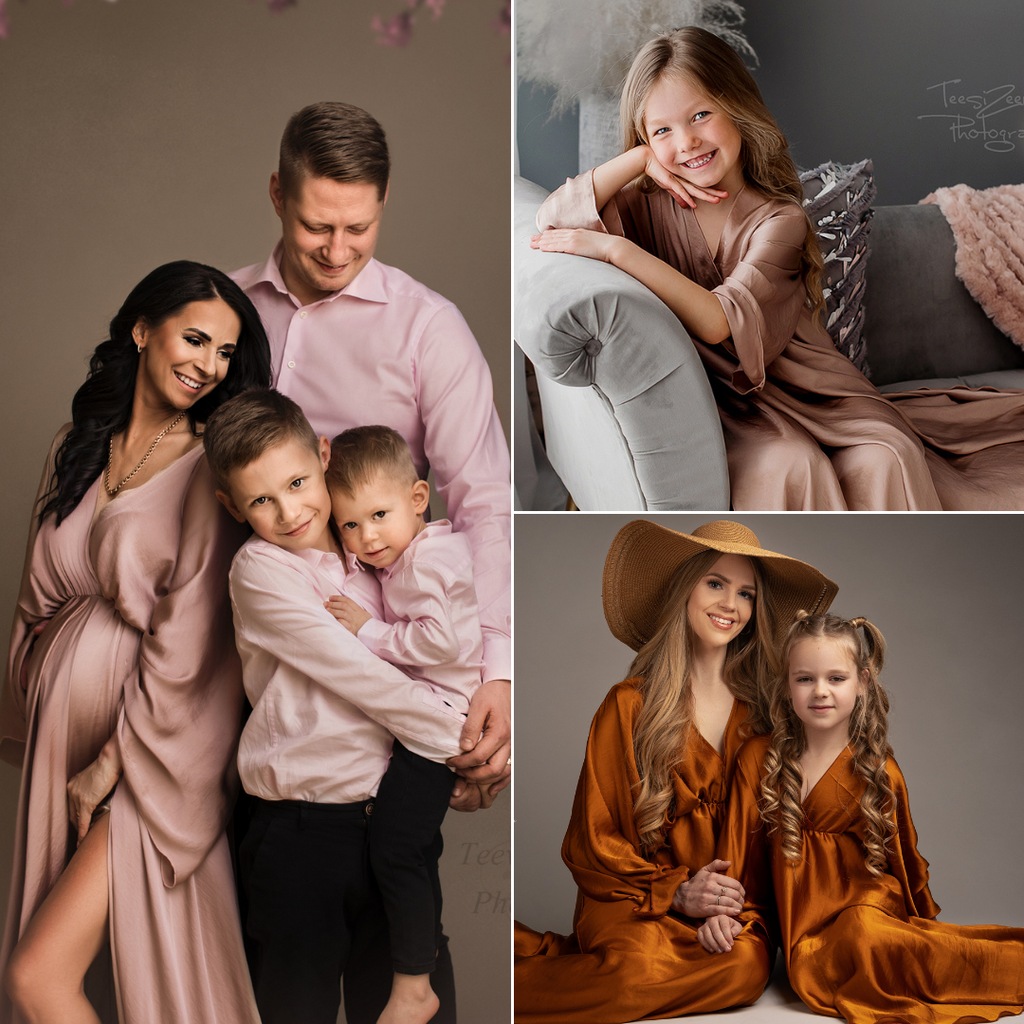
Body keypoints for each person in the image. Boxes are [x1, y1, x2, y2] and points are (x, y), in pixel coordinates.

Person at [531, 27, 1024, 511]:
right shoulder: (641, 203)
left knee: (885, 457)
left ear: (737, 109)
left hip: (810, 393)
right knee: (791, 465)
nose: (686, 142)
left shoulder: (780, 220)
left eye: (701, 114)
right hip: (718, 401)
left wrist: (619, 254)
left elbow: (719, 319)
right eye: (662, 130)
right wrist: (638, 159)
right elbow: (550, 219)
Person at [0, 261, 272, 1024]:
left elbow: (192, 640)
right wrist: (50, 685)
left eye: (224, 353)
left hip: (158, 747)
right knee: (64, 974)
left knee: (42, 976)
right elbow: (33, 602)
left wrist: (115, 762)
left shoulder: (210, 467)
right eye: (194, 339)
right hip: (65, 737)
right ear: (141, 329)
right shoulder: (74, 447)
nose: (209, 365)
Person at [231, 102, 510, 790]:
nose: (336, 249)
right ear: (277, 194)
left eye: (359, 227)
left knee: (378, 879)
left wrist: (497, 671)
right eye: (314, 225)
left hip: (373, 674)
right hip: (227, 650)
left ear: (384, 202)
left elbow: (485, 502)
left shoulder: (429, 330)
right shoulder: (227, 311)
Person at [203, 389, 477, 1024]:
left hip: (392, 824)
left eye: (299, 482)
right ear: (231, 506)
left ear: (323, 457)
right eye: (260, 500)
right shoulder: (262, 571)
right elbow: (366, 681)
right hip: (302, 837)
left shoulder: (383, 558)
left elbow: (451, 643)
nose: (290, 510)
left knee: (419, 1004)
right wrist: (464, 745)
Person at [513, 519, 838, 1023]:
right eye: (715, 583)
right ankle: (504, 985)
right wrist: (679, 893)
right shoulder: (627, 706)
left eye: (746, 593)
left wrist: (729, 912)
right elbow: (592, 839)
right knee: (633, 970)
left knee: (747, 968)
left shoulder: (764, 716)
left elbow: (768, 839)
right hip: (636, 898)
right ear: (683, 588)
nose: (731, 605)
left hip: (726, 913)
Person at [708, 613, 1024, 1022]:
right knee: (761, 958)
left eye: (836, 679)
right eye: (805, 678)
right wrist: (722, 911)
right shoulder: (758, 758)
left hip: (867, 911)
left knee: (865, 935)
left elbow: (905, 864)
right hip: (804, 930)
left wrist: (917, 929)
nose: (820, 691)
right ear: (786, 686)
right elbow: (735, 853)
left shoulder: (878, 771)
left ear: (862, 682)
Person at [323, 423, 485, 1024]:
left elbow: (444, 642)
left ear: (419, 500)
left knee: (395, 851)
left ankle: (415, 985)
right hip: (428, 724)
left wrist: (368, 630)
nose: (367, 537)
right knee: (406, 848)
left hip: (441, 727)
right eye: (350, 525)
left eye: (379, 515)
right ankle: (413, 976)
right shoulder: (409, 555)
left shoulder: (430, 559)